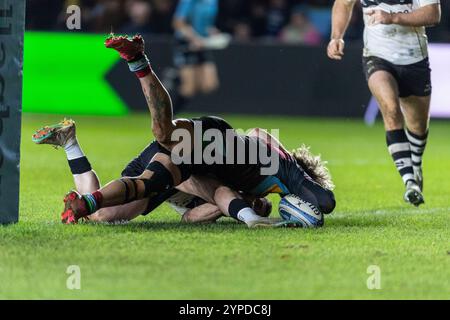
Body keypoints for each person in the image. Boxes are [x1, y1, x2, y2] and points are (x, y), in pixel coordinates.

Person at [61, 34, 335, 228]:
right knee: (163, 138)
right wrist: (257, 210)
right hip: (217, 141)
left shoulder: (223, 188)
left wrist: (251, 207)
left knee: (110, 212)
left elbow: (192, 216)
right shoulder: (280, 166)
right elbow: (260, 137)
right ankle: (138, 62)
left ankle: (80, 175)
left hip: (193, 164)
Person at [32, 119, 273, 224]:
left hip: (162, 174)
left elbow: (189, 217)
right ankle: (70, 145)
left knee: (97, 215)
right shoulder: (225, 184)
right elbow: (189, 183)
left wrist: (234, 207)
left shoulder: (223, 196)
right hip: (163, 173)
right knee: (101, 216)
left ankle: (70, 144)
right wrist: (242, 204)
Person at [327, 0, 441, 206]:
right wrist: (336, 37)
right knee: (390, 109)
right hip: (377, 56)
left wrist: (393, 17)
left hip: (414, 59)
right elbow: (343, 4)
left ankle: (416, 165)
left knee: (418, 126)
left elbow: (433, 14)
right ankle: (410, 182)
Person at [170, 0, 220, 113]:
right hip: (185, 43)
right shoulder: (188, 1)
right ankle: (168, 116)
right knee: (188, 88)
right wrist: (194, 39)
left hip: (203, 43)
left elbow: (207, 24)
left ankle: (176, 78)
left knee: (210, 84)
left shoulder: (213, 2)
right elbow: (178, 23)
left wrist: (212, 32)